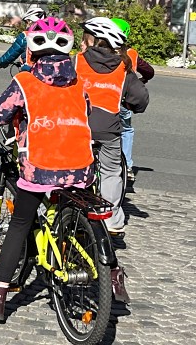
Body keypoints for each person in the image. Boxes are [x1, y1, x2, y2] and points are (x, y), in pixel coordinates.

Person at [0, 16, 97, 322]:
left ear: (32, 50)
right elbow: (87, 111)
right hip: (81, 166)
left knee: (20, 223)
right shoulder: (79, 82)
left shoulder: (25, 82)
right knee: (78, 210)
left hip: (40, 167)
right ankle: (107, 273)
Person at [74, 17, 149, 235]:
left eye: (83, 39)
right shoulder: (123, 67)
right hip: (107, 128)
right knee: (110, 172)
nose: (81, 43)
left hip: (77, 126)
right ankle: (112, 219)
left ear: (91, 41)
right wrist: (131, 104)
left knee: (70, 165)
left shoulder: (76, 61)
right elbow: (140, 99)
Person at [111, 18, 154, 181]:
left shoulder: (100, 52)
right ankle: (127, 166)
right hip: (124, 100)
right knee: (126, 130)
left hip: (106, 98)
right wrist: (141, 80)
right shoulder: (131, 53)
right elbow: (149, 71)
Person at [0, 6, 47, 71]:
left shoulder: (26, 36)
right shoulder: (52, 36)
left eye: (26, 22)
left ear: (31, 21)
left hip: (31, 71)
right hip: (51, 72)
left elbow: (13, 52)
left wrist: (2, 62)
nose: (26, 25)